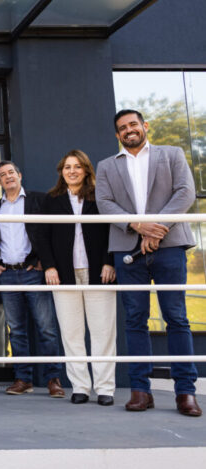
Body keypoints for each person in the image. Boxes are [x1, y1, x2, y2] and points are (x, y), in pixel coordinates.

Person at [96, 109, 201, 417]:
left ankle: (186, 392)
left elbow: (185, 193)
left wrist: (156, 227)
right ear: (117, 134)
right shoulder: (106, 166)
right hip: (127, 248)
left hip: (170, 246)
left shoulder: (171, 154)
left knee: (177, 318)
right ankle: (140, 390)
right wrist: (138, 226)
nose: (128, 130)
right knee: (134, 320)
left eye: (133, 124)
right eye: (122, 127)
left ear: (145, 126)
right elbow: (104, 203)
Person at [39, 150, 116, 406]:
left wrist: (109, 261)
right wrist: (49, 267)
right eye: (67, 167)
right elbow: (42, 236)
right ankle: (80, 387)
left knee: (103, 332)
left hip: (99, 272)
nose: (72, 171)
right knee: (71, 333)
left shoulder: (101, 197)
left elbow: (113, 229)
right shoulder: (52, 200)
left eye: (77, 166)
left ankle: (105, 388)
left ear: (86, 170)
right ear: (61, 172)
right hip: (64, 274)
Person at [0, 160, 64, 398]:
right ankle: (23, 379)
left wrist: (46, 261)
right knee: (16, 330)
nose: (8, 176)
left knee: (46, 328)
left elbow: (52, 232)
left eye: (11, 172)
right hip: (7, 275)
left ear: (19, 175)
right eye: (3, 174)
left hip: (33, 273)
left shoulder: (38, 200)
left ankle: (53, 379)